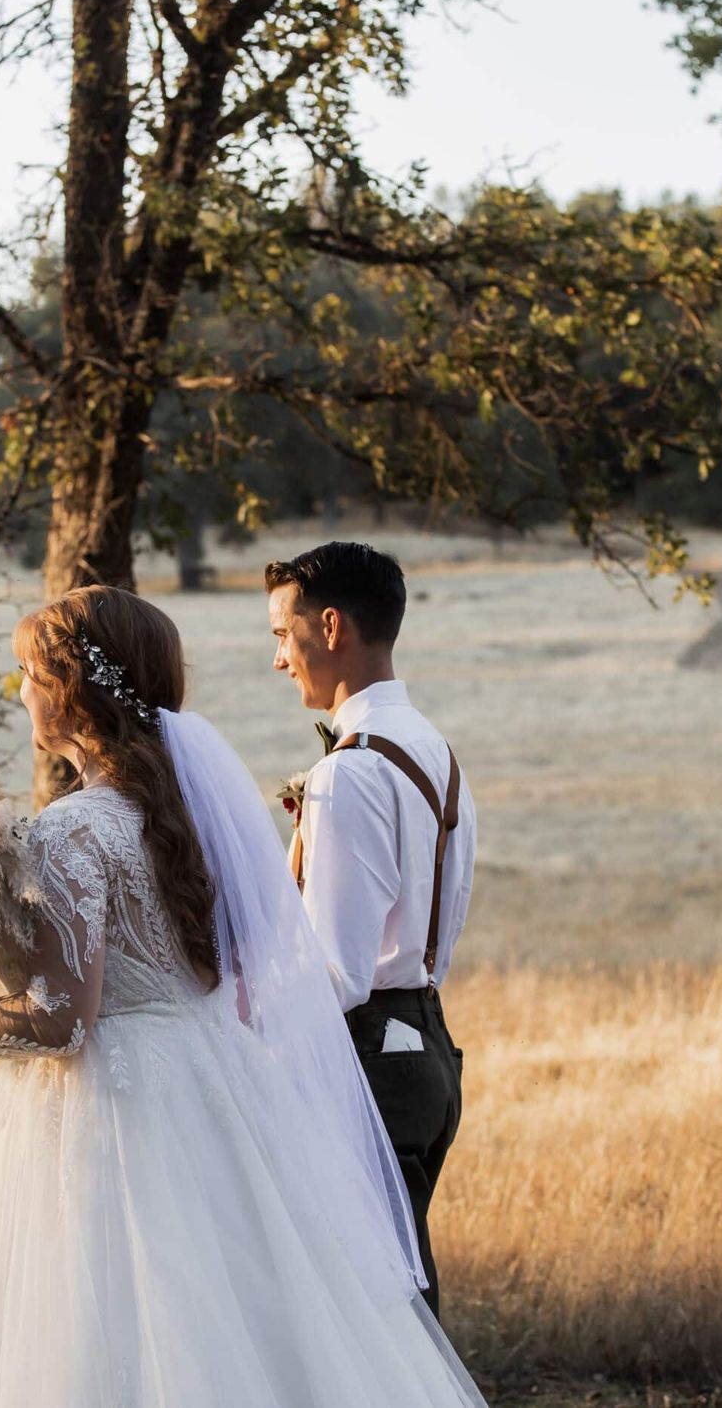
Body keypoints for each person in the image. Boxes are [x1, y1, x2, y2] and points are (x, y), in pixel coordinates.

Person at [0, 585, 485, 1407]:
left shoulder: (70, 829)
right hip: (211, 1086)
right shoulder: (191, 819)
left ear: (68, 685)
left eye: (27, 671)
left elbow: (63, 1020)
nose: (19, 690)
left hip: (108, 1116)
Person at [266, 542, 477, 1319]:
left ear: (329, 627)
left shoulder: (350, 773)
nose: (278, 660)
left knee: (362, 1315)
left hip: (367, 1060)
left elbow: (335, 974)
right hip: (428, 1046)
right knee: (398, 1300)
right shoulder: (437, 753)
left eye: (282, 637)